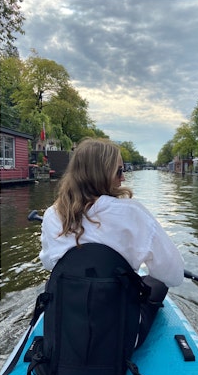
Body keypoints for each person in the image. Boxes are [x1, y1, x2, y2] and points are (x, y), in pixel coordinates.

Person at [39, 138, 184, 348]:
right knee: (158, 282)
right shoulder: (132, 213)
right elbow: (175, 275)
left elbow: (48, 264)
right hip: (121, 339)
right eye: (119, 171)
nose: (123, 178)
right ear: (102, 174)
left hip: (68, 334)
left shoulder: (52, 215)